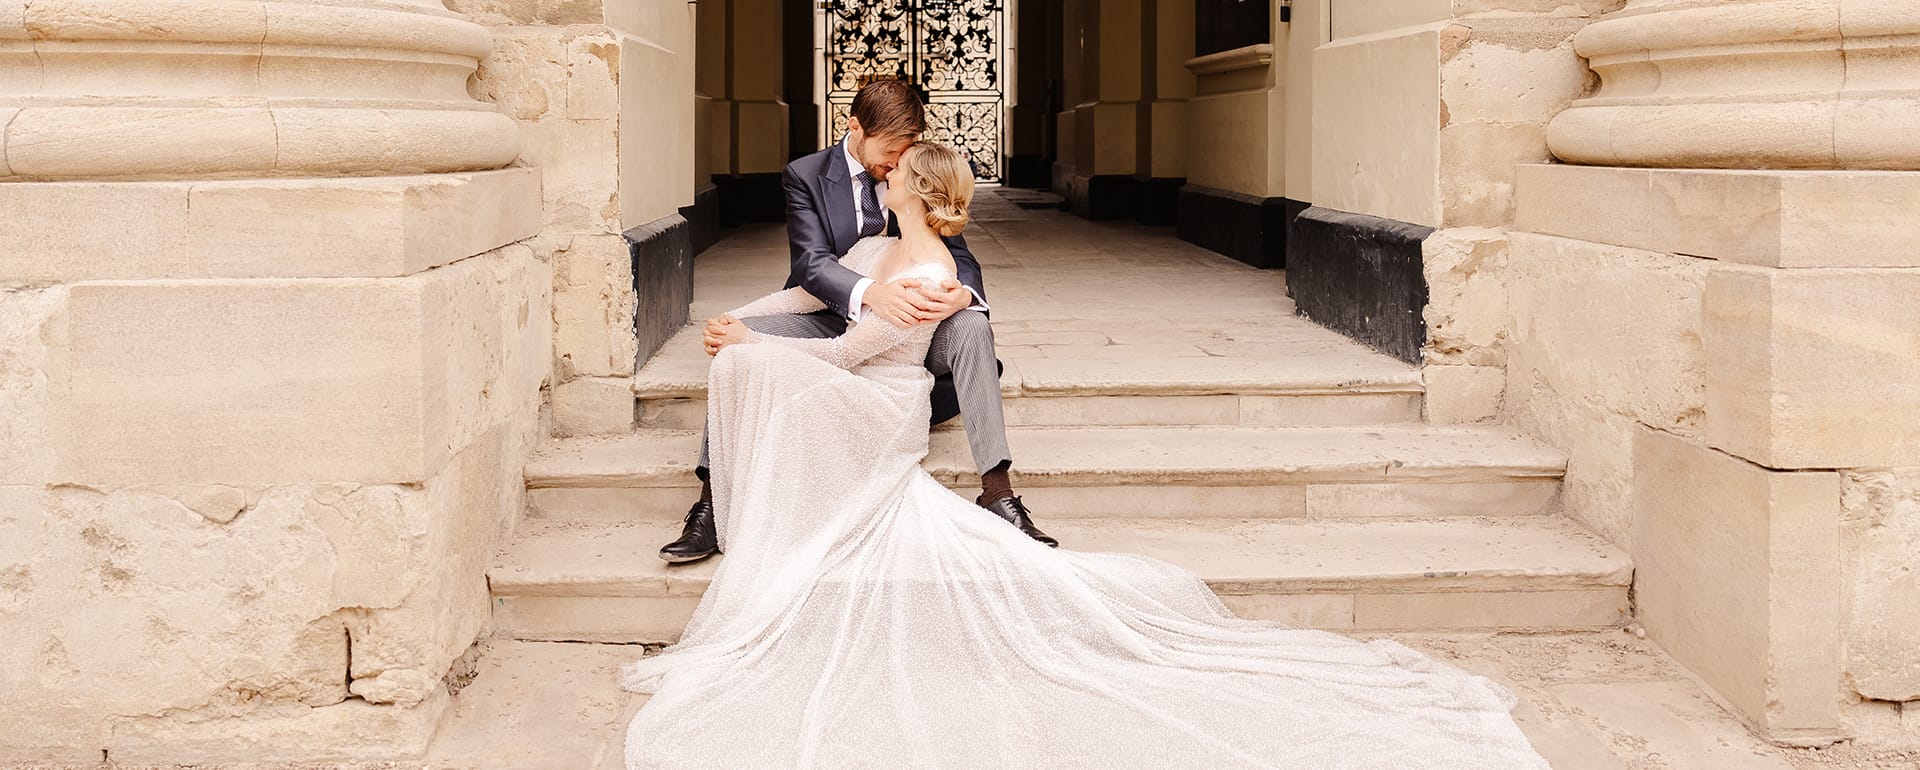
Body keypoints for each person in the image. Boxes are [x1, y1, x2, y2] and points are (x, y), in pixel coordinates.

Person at [618, 141, 1549, 769]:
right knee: (750, 361)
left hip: (883, 400)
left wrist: (763, 351)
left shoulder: (938, 273)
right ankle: (768, 503)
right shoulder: (871, 244)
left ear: (915, 188)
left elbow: (852, 351)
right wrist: (738, 320)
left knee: (764, 377)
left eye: (900, 170)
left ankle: (770, 512)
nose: (886, 174)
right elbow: (804, 291)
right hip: (853, 377)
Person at [656, 79, 1052, 565]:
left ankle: (997, 490)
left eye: (905, 154)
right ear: (856, 128)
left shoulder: (910, 175)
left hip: (911, 325)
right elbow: (810, 267)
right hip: (831, 314)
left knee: (972, 326)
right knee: (737, 353)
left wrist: (959, 294)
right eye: (890, 152)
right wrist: (738, 323)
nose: (893, 166)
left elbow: (955, 250)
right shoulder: (806, 175)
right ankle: (712, 504)